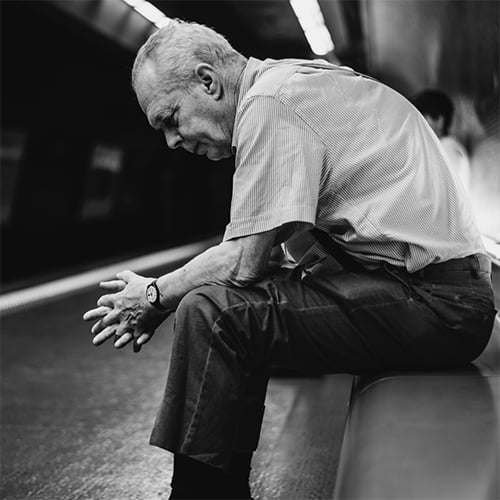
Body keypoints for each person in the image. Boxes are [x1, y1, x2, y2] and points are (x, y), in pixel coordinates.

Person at [83, 20, 496, 499]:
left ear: (208, 82)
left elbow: (242, 260)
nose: (172, 141)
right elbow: (268, 254)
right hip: (434, 292)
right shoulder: (291, 86)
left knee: (215, 312)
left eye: (171, 119)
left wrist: (156, 294)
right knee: (229, 306)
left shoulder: (270, 105)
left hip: (439, 304)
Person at [413, 89, 472, 192]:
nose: (441, 123)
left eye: (422, 118)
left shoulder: (446, 148)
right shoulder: (445, 147)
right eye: (434, 117)